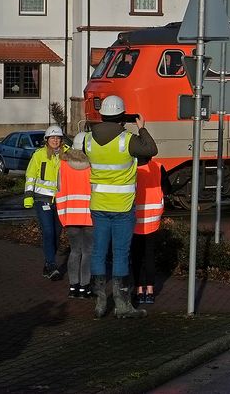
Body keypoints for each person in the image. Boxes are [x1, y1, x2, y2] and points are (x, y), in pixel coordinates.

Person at [85, 95, 157, 319]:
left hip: (98, 205)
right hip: (122, 208)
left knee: (98, 251)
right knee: (120, 254)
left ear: (102, 114)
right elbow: (150, 150)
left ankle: (99, 302)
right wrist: (142, 128)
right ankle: (122, 305)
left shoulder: (87, 140)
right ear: (121, 116)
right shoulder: (127, 140)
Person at [23, 125, 68, 280]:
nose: (55, 140)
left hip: (61, 200)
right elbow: (30, 176)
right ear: (47, 140)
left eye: (58, 138)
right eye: (52, 138)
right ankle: (51, 264)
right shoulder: (39, 155)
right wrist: (28, 196)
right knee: (48, 231)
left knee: (56, 233)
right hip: (42, 198)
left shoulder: (67, 154)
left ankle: (48, 262)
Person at [56, 138, 94, 298]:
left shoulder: (63, 166)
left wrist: (63, 215)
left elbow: (58, 189)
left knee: (74, 251)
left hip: (70, 215)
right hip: (89, 216)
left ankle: (73, 287)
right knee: (88, 252)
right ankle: (85, 288)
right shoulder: (92, 166)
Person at [131, 158, 165, 305]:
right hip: (153, 219)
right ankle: (150, 292)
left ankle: (139, 291)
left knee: (136, 257)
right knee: (150, 255)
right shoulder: (158, 166)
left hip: (134, 220)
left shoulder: (131, 167)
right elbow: (168, 188)